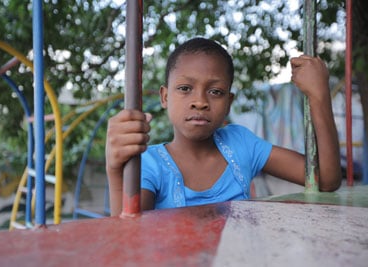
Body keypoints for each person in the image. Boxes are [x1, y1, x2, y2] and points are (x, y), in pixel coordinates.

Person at [105, 37, 341, 216]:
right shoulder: (149, 164)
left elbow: (327, 180)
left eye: (215, 91)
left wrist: (319, 97)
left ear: (228, 103)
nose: (200, 101)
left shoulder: (241, 144)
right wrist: (115, 172)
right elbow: (129, 236)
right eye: (185, 88)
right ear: (165, 97)